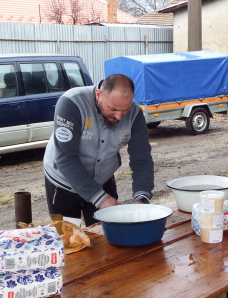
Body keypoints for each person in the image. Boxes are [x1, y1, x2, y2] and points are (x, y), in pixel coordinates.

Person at [43, 74, 154, 226]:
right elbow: (66, 158)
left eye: (125, 110)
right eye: (113, 109)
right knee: (67, 239)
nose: (119, 116)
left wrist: (142, 197)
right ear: (98, 95)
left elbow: (141, 159)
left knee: (104, 237)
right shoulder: (72, 103)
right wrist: (100, 198)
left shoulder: (135, 113)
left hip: (102, 179)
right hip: (63, 183)